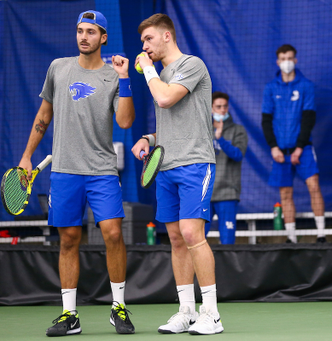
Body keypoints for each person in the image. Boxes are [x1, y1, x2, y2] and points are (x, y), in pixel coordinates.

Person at [18, 10, 136, 336]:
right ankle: (70, 316)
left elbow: (125, 122)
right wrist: (27, 156)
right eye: (80, 31)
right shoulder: (58, 68)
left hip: (101, 169)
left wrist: (125, 79)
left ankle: (119, 307)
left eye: (91, 32)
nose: (84, 37)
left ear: (104, 37)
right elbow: (44, 115)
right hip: (65, 171)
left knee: (113, 232)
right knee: (69, 240)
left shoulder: (114, 75)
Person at [131, 14, 223, 335]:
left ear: (167, 36)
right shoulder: (161, 75)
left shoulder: (192, 64)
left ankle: (211, 313)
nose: (144, 47)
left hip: (196, 163)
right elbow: (171, 121)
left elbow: (166, 98)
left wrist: (147, 69)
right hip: (167, 166)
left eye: (149, 40)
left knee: (191, 233)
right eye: (143, 41)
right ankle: (186, 311)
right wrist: (149, 139)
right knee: (175, 238)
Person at [262, 44, 326, 244]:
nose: (286, 62)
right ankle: (291, 237)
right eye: (283, 58)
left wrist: (299, 147)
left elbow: (309, 118)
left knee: (313, 186)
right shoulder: (271, 88)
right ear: (277, 61)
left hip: (303, 149)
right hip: (280, 151)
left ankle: (322, 234)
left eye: (290, 58)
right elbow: (266, 120)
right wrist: (273, 146)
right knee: (285, 193)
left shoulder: (305, 85)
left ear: (295, 60)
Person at [204, 92, 248, 244]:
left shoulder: (238, 130)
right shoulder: (202, 130)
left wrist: (220, 138)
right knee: (198, 240)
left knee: (228, 241)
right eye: (218, 107)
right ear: (210, 109)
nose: (222, 110)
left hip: (228, 193)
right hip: (205, 194)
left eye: (225, 106)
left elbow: (238, 155)